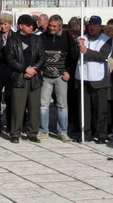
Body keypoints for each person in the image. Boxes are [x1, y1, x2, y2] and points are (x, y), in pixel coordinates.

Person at [73, 16, 113, 144]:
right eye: (91, 24)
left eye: (95, 24)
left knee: (100, 108)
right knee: (84, 108)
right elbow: (73, 55)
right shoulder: (81, 38)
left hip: (98, 78)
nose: (92, 27)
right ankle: (85, 132)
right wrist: (78, 47)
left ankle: (101, 133)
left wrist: (86, 51)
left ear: (100, 26)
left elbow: (103, 56)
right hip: (83, 77)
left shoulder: (107, 40)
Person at [5, 14, 45, 143]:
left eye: (32, 25)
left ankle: (32, 133)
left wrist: (34, 70)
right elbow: (10, 59)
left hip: (35, 77)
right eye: (28, 25)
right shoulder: (12, 40)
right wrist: (24, 69)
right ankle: (15, 134)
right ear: (20, 26)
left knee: (34, 107)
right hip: (19, 77)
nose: (31, 27)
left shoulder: (37, 39)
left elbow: (42, 57)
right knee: (18, 107)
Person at [39, 14, 76, 142]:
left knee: (62, 105)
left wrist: (69, 72)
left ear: (60, 26)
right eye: (50, 25)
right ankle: (43, 130)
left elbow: (73, 56)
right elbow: (38, 55)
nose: (51, 28)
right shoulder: (42, 37)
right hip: (45, 77)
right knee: (43, 104)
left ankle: (63, 131)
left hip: (61, 76)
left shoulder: (67, 37)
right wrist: (39, 69)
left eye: (54, 26)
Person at [0, 13, 13, 134]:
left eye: (5, 24)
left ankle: (11, 123)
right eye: (0, 24)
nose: (3, 27)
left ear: (10, 25)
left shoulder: (15, 36)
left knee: (10, 97)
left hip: (11, 69)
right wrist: (4, 56)